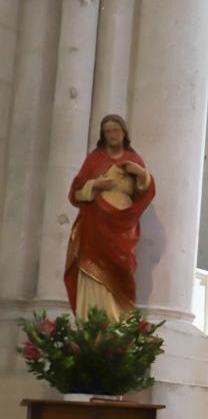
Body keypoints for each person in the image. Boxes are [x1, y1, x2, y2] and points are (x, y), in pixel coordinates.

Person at [64, 114, 155, 322]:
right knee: (91, 271)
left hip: (123, 225)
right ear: (103, 135)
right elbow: (75, 193)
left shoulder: (134, 160)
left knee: (123, 270)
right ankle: (90, 324)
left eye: (116, 130)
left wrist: (142, 174)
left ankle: (118, 325)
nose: (112, 135)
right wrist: (95, 185)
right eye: (107, 131)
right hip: (94, 225)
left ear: (124, 133)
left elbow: (144, 193)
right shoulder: (95, 159)